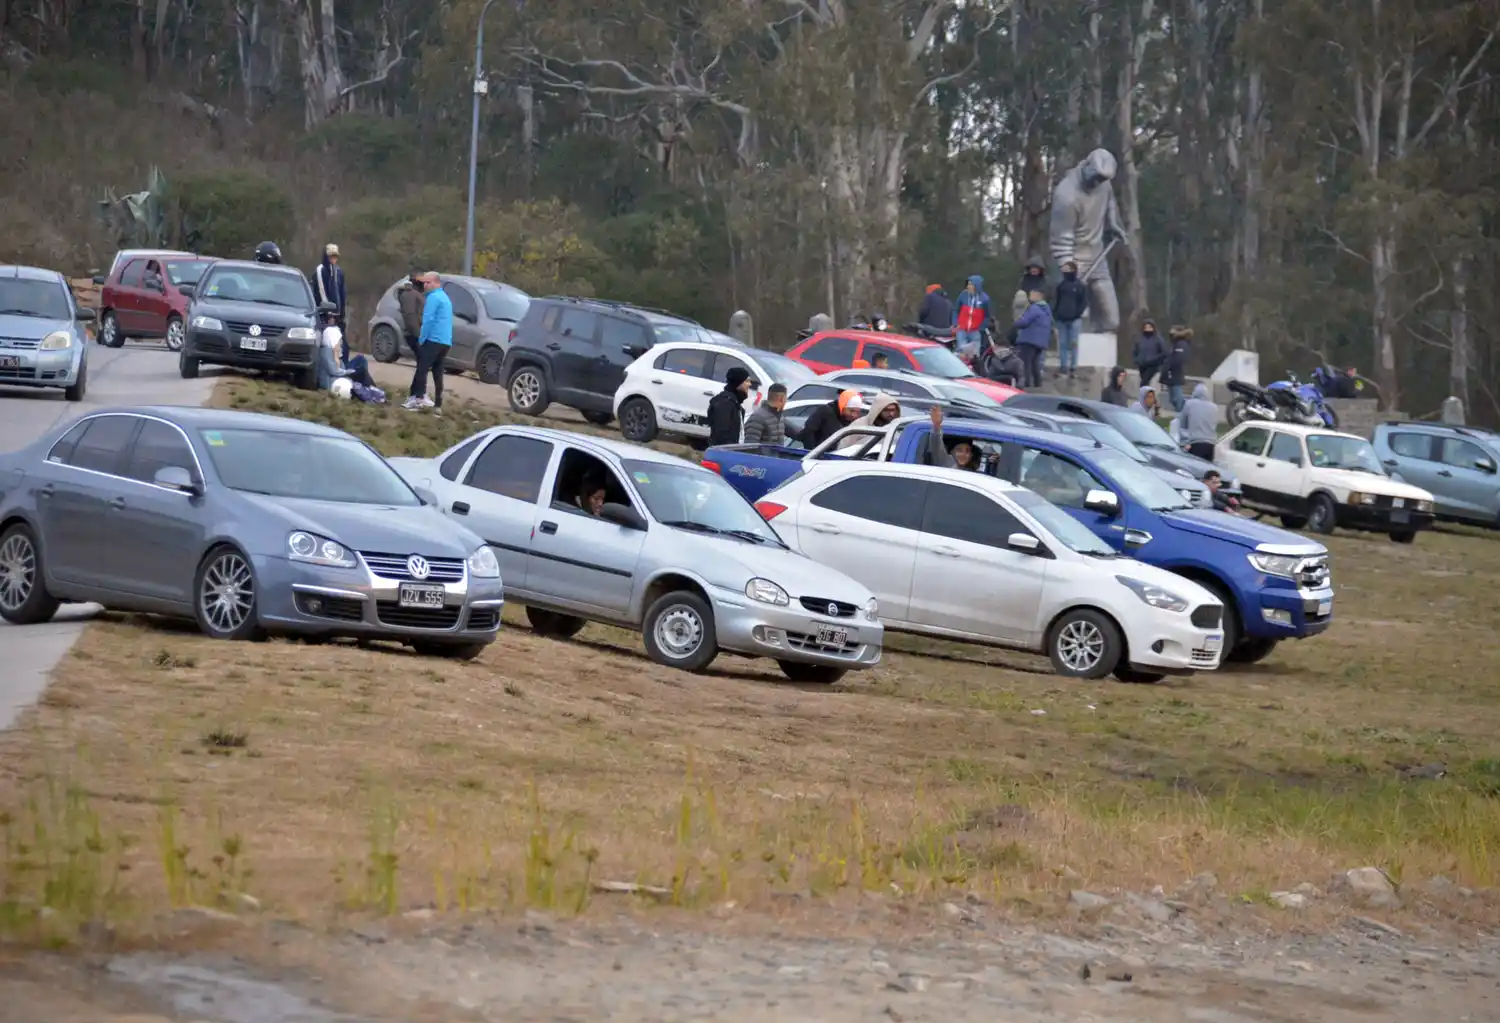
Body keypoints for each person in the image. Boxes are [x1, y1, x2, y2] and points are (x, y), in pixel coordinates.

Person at [403, 272, 451, 412]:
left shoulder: (433, 298)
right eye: (424, 282)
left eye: (427, 282)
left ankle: (418, 399)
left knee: (422, 368)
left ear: (436, 283)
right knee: (438, 371)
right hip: (445, 341)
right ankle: (438, 403)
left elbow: (428, 320)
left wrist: (422, 339)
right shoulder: (445, 298)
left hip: (433, 339)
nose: (424, 285)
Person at [316, 307, 376, 392]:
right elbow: (334, 371)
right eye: (339, 342)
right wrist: (348, 372)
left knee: (361, 365)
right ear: (332, 341)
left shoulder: (332, 352)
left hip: (339, 378)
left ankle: (371, 389)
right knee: (361, 372)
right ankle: (372, 389)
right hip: (333, 384)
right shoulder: (326, 352)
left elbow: (339, 368)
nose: (341, 345)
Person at [1053, 260, 1088, 379]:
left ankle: (1073, 368)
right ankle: (1063, 367)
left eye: (1067, 268)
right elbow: (1056, 301)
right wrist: (1055, 314)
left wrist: (1077, 314)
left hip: (1075, 320)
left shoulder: (1080, 286)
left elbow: (1084, 302)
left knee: (1073, 344)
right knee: (1062, 344)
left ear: (1073, 270)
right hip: (1061, 320)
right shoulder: (1061, 286)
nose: (1064, 270)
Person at [1012, 290, 1053, 388]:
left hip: (1029, 339)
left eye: (1031, 294)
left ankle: (1026, 383)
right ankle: (1037, 383)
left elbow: (1024, 321)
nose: (1029, 296)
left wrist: (1015, 323)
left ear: (1038, 296)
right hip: (1040, 341)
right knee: (1035, 363)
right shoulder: (1046, 309)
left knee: (1025, 362)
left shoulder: (1034, 308)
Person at [801, 390, 867, 449]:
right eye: (851, 411)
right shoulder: (826, 411)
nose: (854, 415)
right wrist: (810, 451)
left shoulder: (854, 421)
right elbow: (808, 431)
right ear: (842, 406)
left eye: (857, 412)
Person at [707, 366, 757, 445]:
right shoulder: (725, 403)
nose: (750, 384)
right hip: (724, 453)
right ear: (738, 383)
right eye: (746, 381)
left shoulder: (736, 403)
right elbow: (721, 434)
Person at [926, 406, 980, 471]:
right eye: (959, 450)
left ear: (971, 455)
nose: (964, 454)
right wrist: (936, 426)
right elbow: (936, 445)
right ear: (951, 452)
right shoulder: (947, 463)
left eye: (967, 451)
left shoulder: (972, 470)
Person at [1177, 382, 1219, 460]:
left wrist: (1183, 443)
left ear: (1194, 392)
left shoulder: (1189, 404)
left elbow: (1182, 425)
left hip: (1195, 444)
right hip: (1211, 446)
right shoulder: (1215, 407)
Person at [954, 275, 991, 358]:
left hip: (975, 332)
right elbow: (956, 310)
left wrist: (980, 328)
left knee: (974, 356)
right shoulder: (963, 295)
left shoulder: (985, 299)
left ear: (976, 285)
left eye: (971, 284)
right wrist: (956, 323)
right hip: (962, 330)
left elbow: (987, 316)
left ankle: (973, 369)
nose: (968, 286)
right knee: (962, 355)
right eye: (968, 284)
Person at [314, 243, 347, 329]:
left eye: (335, 257)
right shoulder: (320, 270)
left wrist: (342, 314)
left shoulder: (339, 272)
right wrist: (329, 314)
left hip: (337, 316)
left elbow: (342, 293)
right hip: (324, 315)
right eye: (331, 257)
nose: (333, 259)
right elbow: (322, 292)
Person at [1162, 325, 1193, 410]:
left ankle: (1183, 411)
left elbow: (1179, 358)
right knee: (1172, 399)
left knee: (1177, 398)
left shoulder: (1181, 344)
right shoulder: (1174, 344)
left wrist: (1170, 365)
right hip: (1170, 374)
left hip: (1176, 373)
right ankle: (1184, 410)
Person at [397, 273, 425, 361]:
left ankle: (419, 358)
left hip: (407, 322)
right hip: (416, 322)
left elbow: (402, 309)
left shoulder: (402, 295)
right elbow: (423, 304)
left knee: (411, 339)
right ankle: (421, 359)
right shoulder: (417, 295)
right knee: (418, 340)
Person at [1132, 318, 1167, 388]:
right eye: (1146, 327)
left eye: (1149, 327)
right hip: (1142, 365)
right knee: (1144, 383)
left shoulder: (1158, 339)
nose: (1148, 329)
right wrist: (1136, 360)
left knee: (1144, 383)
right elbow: (1135, 350)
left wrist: (1155, 360)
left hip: (1153, 366)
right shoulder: (1140, 339)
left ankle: (1144, 395)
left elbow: (1164, 353)